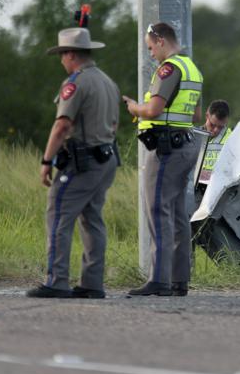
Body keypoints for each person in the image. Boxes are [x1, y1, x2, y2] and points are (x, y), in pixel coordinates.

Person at [26, 28, 121, 299]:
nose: (61, 61)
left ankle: (56, 280)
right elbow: (114, 124)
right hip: (106, 159)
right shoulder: (107, 82)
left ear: (71, 54)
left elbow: (62, 125)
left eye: (61, 55)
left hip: (83, 161)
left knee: (58, 216)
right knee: (92, 219)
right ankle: (92, 283)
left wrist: (47, 160)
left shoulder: (75, 83)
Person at [123, 22, 203, 297]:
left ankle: (159, 280)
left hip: (166, 150)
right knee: (178, 213)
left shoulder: (169, 68)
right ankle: (179, 280)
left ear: (160, 40)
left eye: (150, 48)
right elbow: (196, 115)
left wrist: (135, 107)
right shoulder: (192, 68)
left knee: (158, 211)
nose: (151, 54)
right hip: (185, 145)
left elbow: (154, 109)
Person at [195, 99, 232, 201]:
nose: (215, 130)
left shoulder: (232, 139)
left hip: (217, 194)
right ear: (207, 115)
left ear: (227, 121)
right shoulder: (194, 136)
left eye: (221, 127)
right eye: (212, 125)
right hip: (195, 191)